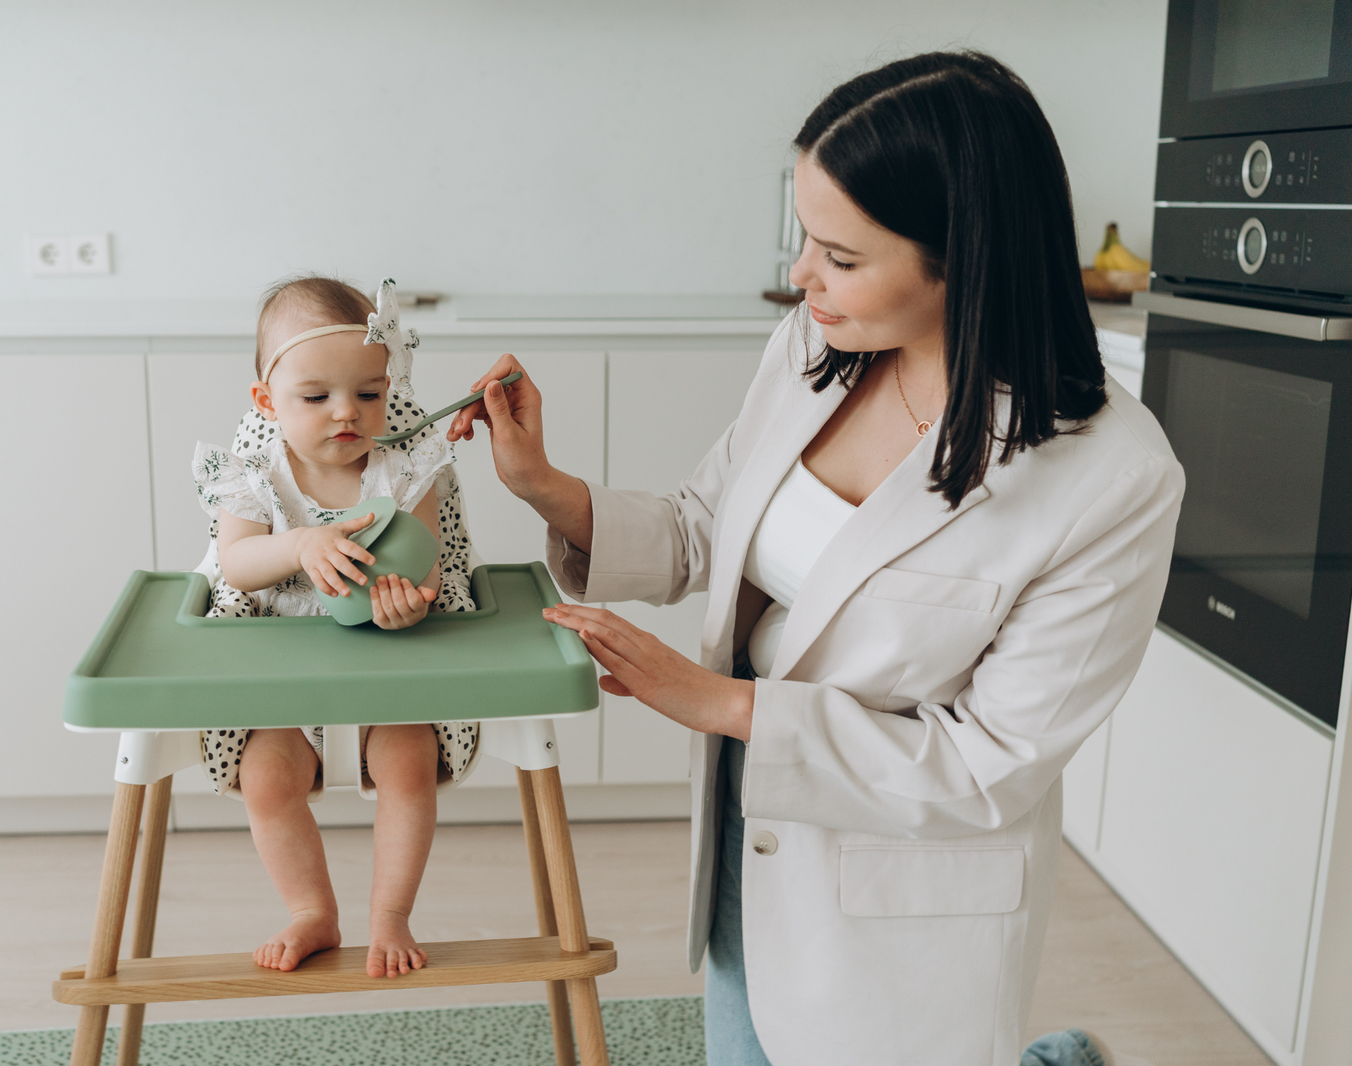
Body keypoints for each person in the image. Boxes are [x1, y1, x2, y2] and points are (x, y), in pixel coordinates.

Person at [448, 52, 1180, 1066]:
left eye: (837, 254)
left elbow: (984, 768)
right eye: (803, 237)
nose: (800, 276)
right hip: (753, 824)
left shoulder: (1111, 477)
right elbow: (705, 526)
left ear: (960, 257)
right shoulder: (811, 346)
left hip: (899, 875)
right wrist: (540, 484)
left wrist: (722, 703)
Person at [192, 276, 479, 980]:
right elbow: (235, 562)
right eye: (316, 397)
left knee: (410, 766)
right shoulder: (254, 477)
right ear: (268, 402)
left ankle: (391, 914)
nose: (346, 414)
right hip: (282, 683)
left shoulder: (407, 469)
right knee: (266, 780)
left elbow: (425, 565)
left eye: (370, 394)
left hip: (386, 668)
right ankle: (310, 910)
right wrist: (297, 546)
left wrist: (409, 600)